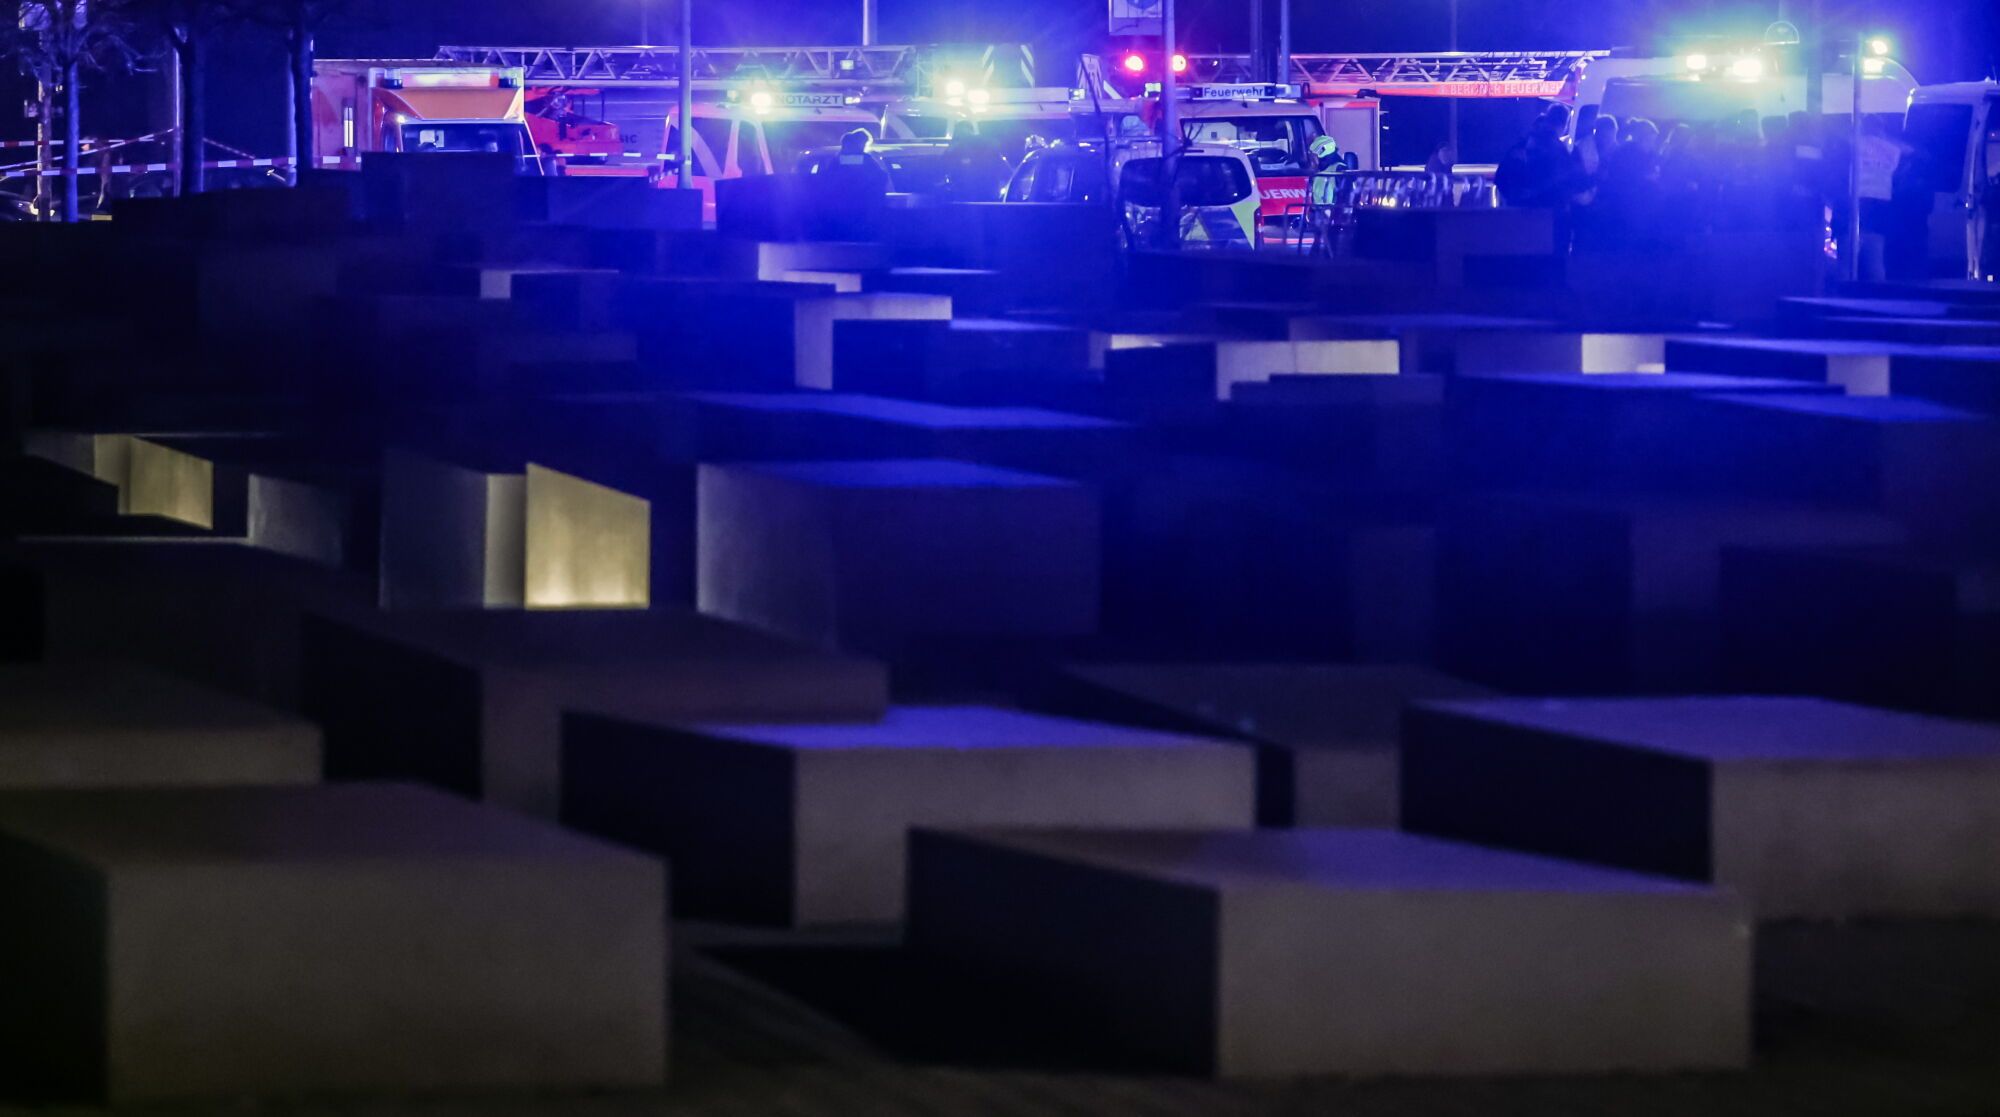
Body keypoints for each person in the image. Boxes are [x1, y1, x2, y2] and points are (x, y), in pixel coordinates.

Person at [811, 128, 892, 195]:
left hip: (840, 200)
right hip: (860, 200)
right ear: (859, 143)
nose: (864, 146)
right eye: (863, 143)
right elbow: (881, 175)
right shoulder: (864, 159)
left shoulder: (837, 159)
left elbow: (828, 177)